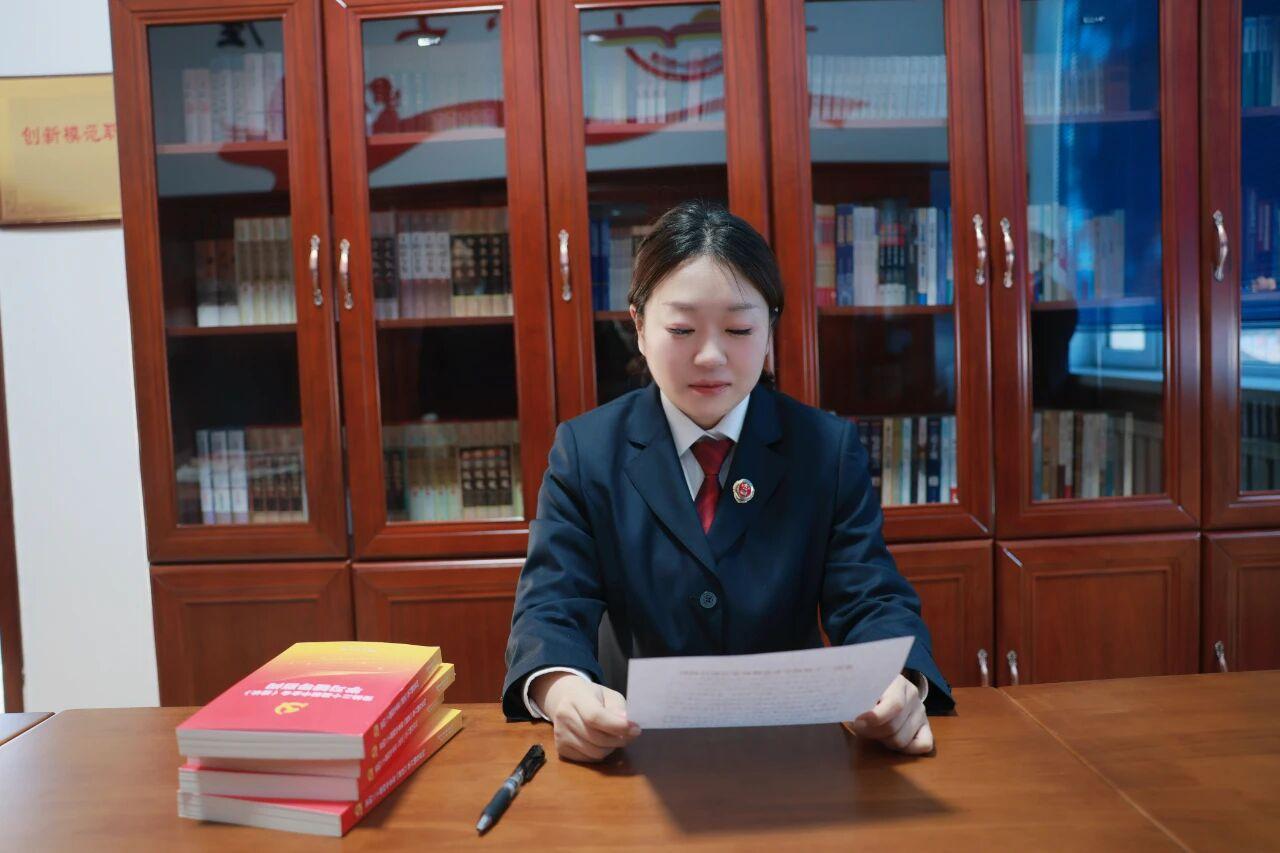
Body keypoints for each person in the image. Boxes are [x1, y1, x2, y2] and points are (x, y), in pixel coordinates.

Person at [502, 200, 953, 762]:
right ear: (639, 327)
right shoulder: (587, 450)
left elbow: (870, 596)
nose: (711, 356)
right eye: (682, 329)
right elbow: (551, 604)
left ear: (770, 331)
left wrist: (897, 680)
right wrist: (563, 690)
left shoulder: (825, 449)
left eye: (739, 329)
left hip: (792, 746)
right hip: (632, 744)